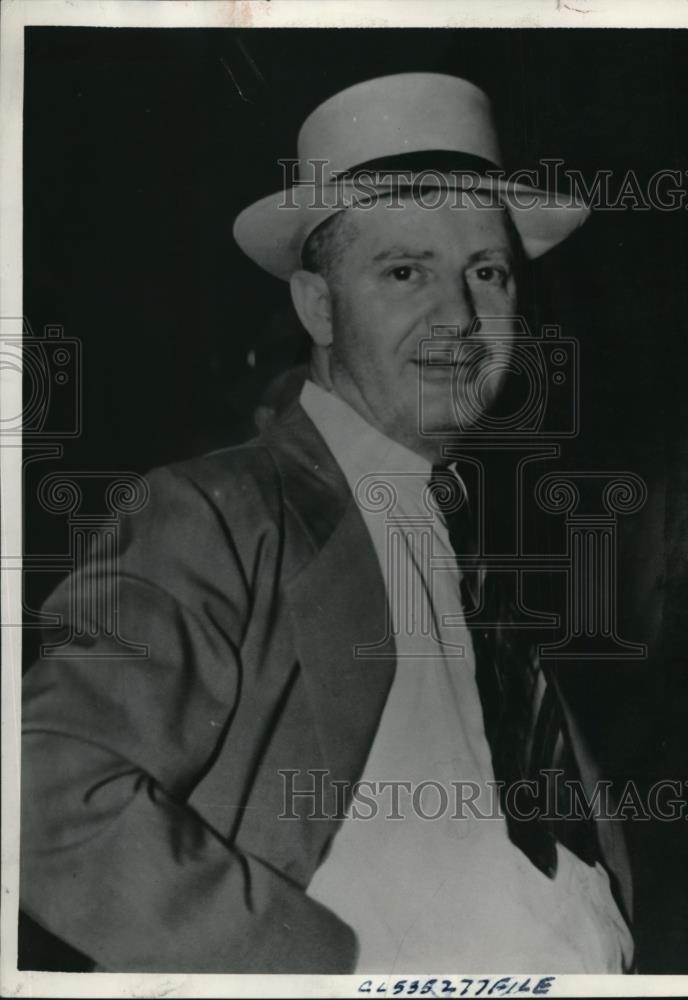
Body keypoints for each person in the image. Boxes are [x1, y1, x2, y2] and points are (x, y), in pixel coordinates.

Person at [20, 73, 634, 973]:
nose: (460, 318)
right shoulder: (216, 515)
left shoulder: (469, 544)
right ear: (317, 307)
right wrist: (321, 970)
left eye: (487, 272)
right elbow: (40, 797)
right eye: (403, 270)